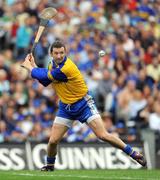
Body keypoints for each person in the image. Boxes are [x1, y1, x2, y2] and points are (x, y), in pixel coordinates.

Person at [21, 40, 146, 171]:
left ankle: (133, 153)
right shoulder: (51, 64)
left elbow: (43, 75)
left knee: (102, 135)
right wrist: (33, 65)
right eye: (56, 53)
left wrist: (30, 67)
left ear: (65, 52)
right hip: (66, 107)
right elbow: (45, 81)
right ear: (51, 54)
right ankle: (50, 166)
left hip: (83, 104)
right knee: (52, 141)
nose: (59, 56)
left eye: (61, 53)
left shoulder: (67, 67)